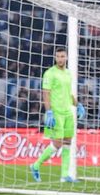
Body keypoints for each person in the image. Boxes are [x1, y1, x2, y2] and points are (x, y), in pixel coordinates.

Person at [30, 47, 86, 183]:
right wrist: (49, 111)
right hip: (56, 113)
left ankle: (65, 175)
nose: (60, 59)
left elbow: (69, 92)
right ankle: (35, 165)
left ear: (66, 58)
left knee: (68, 142)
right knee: (57, 143)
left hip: (68, 112)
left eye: (62, 56)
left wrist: (77, 105)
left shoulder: (68, 73)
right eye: (58, 56)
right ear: (55, 58)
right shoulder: (50, 73)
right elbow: (46, 93)